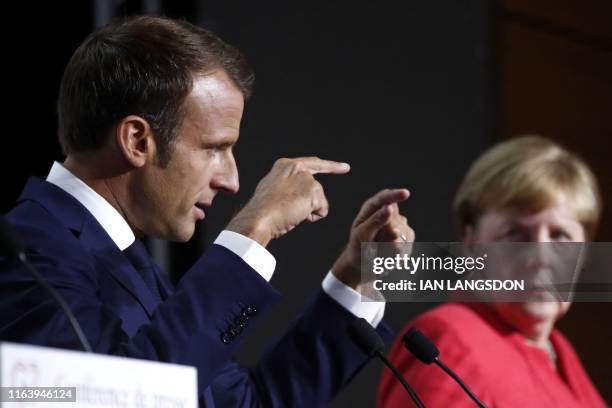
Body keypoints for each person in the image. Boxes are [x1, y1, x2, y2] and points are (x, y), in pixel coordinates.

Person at [0, 16, 415, 406]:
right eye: (214, 148)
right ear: (137, 141)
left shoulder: (124, 259)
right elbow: (113, 398)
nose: (231, 180)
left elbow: (247, 401)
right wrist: (254, 228)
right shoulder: (28, 253)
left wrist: (356, 277)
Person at [378, 136, 607, 407]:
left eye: (561, 236)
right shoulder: (449, 342)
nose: (540, 257)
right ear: (471, 240)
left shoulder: (558, 350)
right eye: (515, 233)